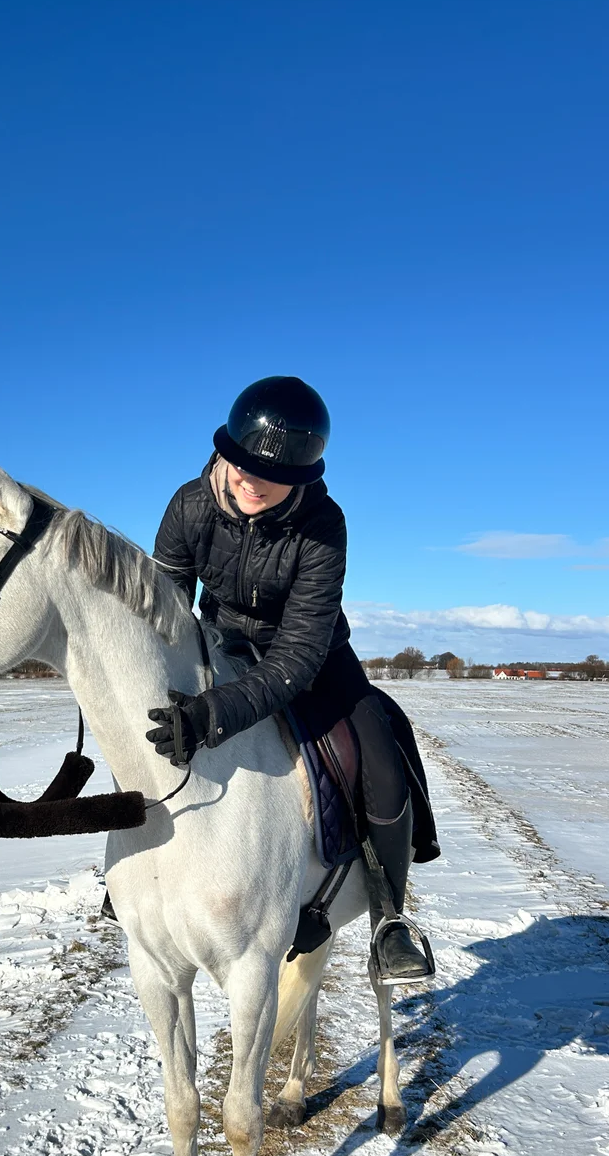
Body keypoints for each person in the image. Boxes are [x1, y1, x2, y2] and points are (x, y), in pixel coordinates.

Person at [144, 375, 439, 981]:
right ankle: (137, 873)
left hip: (314, 655)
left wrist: (216, 713)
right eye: (244, 466)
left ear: (303, 476)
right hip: (220, 643)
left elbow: (299, 655)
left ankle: (389, 919)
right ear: (225, 452)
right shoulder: (188, 505)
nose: (253, 483)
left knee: (381, 756)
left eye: (274, 475)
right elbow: (164, 613)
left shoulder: (325, 524)